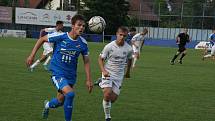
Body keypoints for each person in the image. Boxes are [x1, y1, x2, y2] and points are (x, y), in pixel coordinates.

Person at [26, 14, 93, 121]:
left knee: (60, 101)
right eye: (79, 25)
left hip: (71, 76)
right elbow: (42, 39)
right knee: (70, 94)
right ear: (72, 25)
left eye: (83, 26)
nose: (81, 28)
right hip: (58, 73)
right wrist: (32, 55)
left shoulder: (83, 43)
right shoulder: (61, 36)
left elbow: (86, 61)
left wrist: (89, 79)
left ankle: (47, 105)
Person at [98, 26, 133, 121]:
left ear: (126, 37)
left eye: (124, 36)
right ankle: (107, 116)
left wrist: (128, 72)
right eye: (120, 35)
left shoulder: (129, 49)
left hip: (119, 75)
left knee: (112, 99)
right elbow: (100, 59)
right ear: (117, 34)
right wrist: (103, 71)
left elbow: (130, 59)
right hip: (108, 73)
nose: (122, 37)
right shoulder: (109, 46)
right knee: (107, 94)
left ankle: (100, 82)